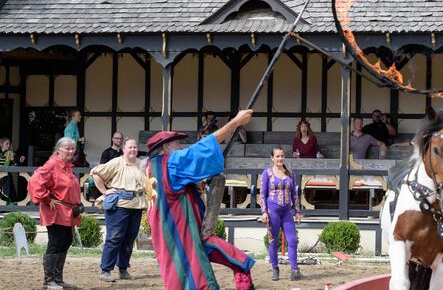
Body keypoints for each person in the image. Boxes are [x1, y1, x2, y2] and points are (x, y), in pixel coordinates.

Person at [146, 110, 256, 290]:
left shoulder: (151, 167)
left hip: (167, 232)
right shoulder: (171, 163)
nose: (181, 147)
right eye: (177, 144)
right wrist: (235, 122)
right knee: (193, 278)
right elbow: (203, 148)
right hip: (181, 232)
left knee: (181, 269)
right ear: (165, 148)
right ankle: (242, 268)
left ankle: (241, 267)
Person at [28, 137, 82, 290]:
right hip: (56, 211)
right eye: (68, 148)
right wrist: (46, 197)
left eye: (73, 148)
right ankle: (49, 281)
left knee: (65, 241)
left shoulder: (67, 167)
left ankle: (58, 279)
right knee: (56, 242)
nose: (71, 151)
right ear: (59, 149)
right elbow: (35, 181)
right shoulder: (52, 164)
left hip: (68, 212)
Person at [91, 138, 147, 282]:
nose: (133, 150)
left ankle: (123, 269)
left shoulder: (141, 164)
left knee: (129, 239)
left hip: (137, 206)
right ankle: (106, 270)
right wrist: (105, 191)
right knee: (114, 238)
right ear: (123, 149)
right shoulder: (116, 162)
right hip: (119, 206)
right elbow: (96, 173)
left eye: (135, 147)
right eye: (130, 147)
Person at [260, 146, 302, 281]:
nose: (280, 158)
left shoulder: (290, 172)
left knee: (292, 240)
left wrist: (297, 210)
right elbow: (262, 194)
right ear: (272, 158)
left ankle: (294, 270)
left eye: (282, 156)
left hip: (286, 211)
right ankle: (275, 268)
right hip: (273, 211)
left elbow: (294, 193)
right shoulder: (267, 173)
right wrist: (264, 212)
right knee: (273, 240)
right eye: (277, 156)